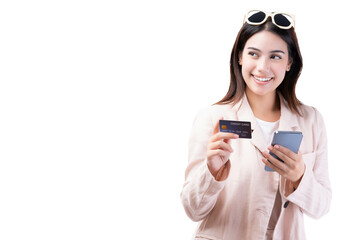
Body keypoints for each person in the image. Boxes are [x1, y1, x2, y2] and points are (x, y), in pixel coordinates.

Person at [180, 10, 331, 240]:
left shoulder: (311, 121)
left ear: (290, 63)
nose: (262, 67)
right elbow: (193, 210)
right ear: (240, 56)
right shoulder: (212, 118)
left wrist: (300, 176)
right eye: (254, 54)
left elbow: (321, 207)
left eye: (276, 56)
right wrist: (211, 172)